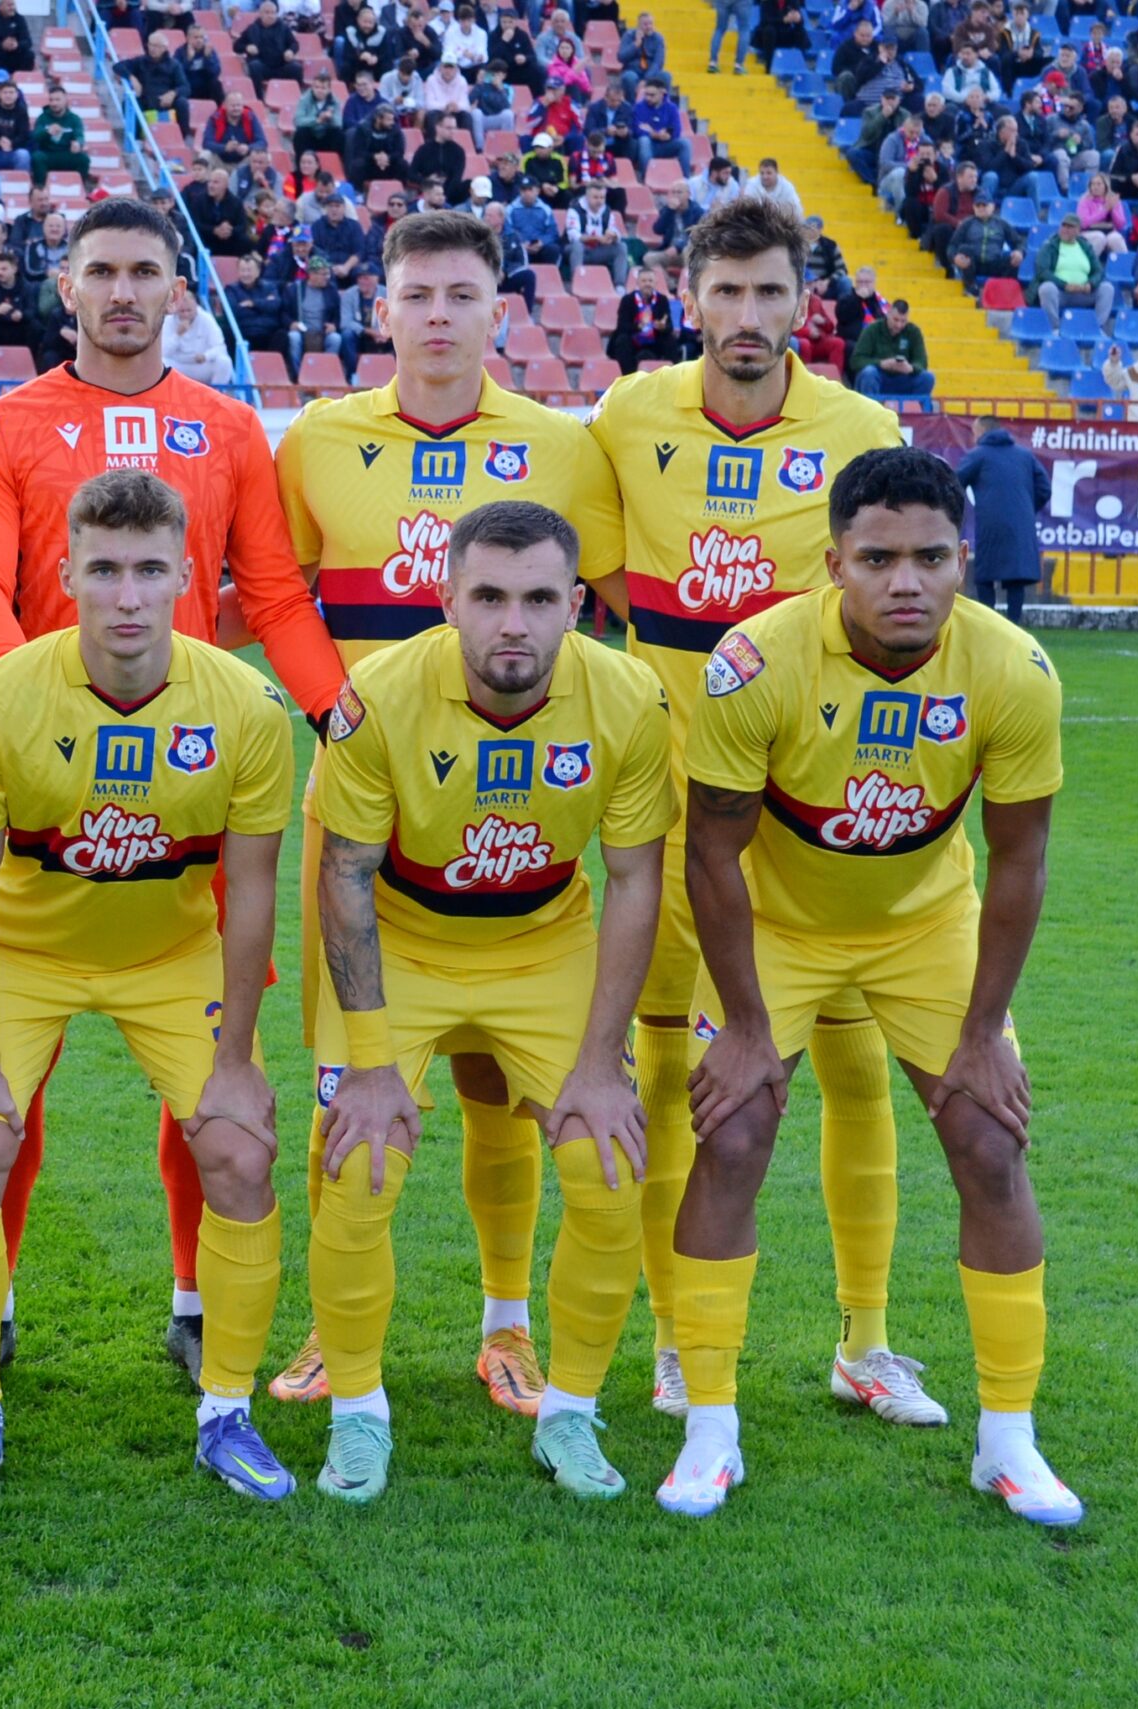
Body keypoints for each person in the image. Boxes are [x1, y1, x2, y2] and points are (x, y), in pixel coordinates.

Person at [0, 197, 345, 1380]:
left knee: (212, 1069)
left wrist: (342, 717)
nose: (122, 292)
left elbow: (271, 597)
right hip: (40, 783)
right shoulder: (5, 426)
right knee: (5, 1078)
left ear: (179, 290)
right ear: (62, 288)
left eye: (144, 272)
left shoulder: (227, 429)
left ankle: (191, 1298)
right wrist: (25, 709)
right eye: (99, 272)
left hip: (192, 789)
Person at [662, 447, 1079, 1528]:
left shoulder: (1013, 668)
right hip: (780, 925)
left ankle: (1009, 1439)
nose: (907, 580)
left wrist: (984, 1031)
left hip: (922, 925)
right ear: (832, 561)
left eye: (932, 557)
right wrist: (747, 1025)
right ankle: (710, 1426)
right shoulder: (754, 662)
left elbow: (1020, 859)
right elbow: (711, 851)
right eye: (879, 557)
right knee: (736, 1127)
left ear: (963, 560)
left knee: (990, 1137)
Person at [263, 209, 628, 1408]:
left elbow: (605, 608)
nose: (436, 316)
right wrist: (343, 721)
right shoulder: (317, 436)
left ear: (497, 312)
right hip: (365, 804)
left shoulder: (561, 448)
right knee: (348, 1080)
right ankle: (332, 1331)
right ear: (382, 308)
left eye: (460, 295)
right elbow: (278, 596)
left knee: (500, 1087)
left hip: (518, 796)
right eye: (414, 293)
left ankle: (507, 1321)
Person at [587, 196, 932, 1427]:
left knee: (855, 1067)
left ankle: (868, 1341)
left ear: (803, 302)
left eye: (767, 293)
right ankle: (682, 1340)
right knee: (677, 1070)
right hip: (678, 816)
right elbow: (595, 581)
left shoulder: (858, 425)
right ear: (689, 297)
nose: (745, 317)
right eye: (724, 292)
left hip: (820, 815)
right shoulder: (630, 414)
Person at [0, 468, 293, 1502]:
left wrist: (232, 1062)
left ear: (187, 573)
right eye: (104, 571)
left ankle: (227, 1406)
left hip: (167, 956)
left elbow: (251, 891)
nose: (127, 596)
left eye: (148, 571)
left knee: (238, 1145)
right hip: (24, 952)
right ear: (64, 574)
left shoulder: (247, 707)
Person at [304, 500, 669, 1501]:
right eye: (490, 597)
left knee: (605, 1162)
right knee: (362, 1161)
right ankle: (357, 1413)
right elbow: (342, 875)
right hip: (404, 936)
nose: (514, 623)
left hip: (541, 939)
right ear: (446, 600)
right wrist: (372, 1062)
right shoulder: (377, 696)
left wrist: (600, 1061)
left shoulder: (630, 699)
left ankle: (572, 1415)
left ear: (577, 606)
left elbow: (635, 877)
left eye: (540, 598)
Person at [955, 419, 1045, 624]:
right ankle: (1015, 624)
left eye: (974, 432)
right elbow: (1044, 488)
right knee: (1016, 578)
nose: (973, 437)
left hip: (990, 524)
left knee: (986, 575)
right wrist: (1027, 511)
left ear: (983, 431)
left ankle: (989, 624)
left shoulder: (978, 455)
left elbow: (954, 481)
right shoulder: (1025, 455)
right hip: (1021, 524)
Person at [1033, 214, 1114, 334]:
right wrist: (1064, 285)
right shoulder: (1050, 245)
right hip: (1061, 293)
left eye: (1070, 227)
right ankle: (1054, 328)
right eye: (1063, 226)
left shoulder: (1085, 246)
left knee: (1107, 288)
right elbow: (1042, 271)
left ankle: (1097, 328)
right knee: (1046, 288)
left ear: (1078, 231)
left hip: (1084, 292)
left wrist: (1090, 285)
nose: (1065, 230)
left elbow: (1098, 271)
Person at [851, 297, 934, 401]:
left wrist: (910, 368)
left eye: (903, 321)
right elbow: (856, 361)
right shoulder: (872, 329)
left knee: (927, 377)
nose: (899, 325)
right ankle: (870, 412)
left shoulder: (914, 332)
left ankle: (916, 414)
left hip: (903, 378)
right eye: (895, 320)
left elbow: (922, 362)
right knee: (869, 373)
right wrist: (881, 364)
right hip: (878, 377)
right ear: (888, 314)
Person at [160, 289, 230, 384]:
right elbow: (163, 352)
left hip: (200, 365)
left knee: (224, 362)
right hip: (178, 366)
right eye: (182, 311)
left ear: (196, 306)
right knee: (161, 363)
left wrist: (206, 356)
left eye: (189, 310)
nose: (186, 314)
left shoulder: (206, 319)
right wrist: (177, 335)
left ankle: (216, 395)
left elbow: (220, 347)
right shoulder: (168, 321)